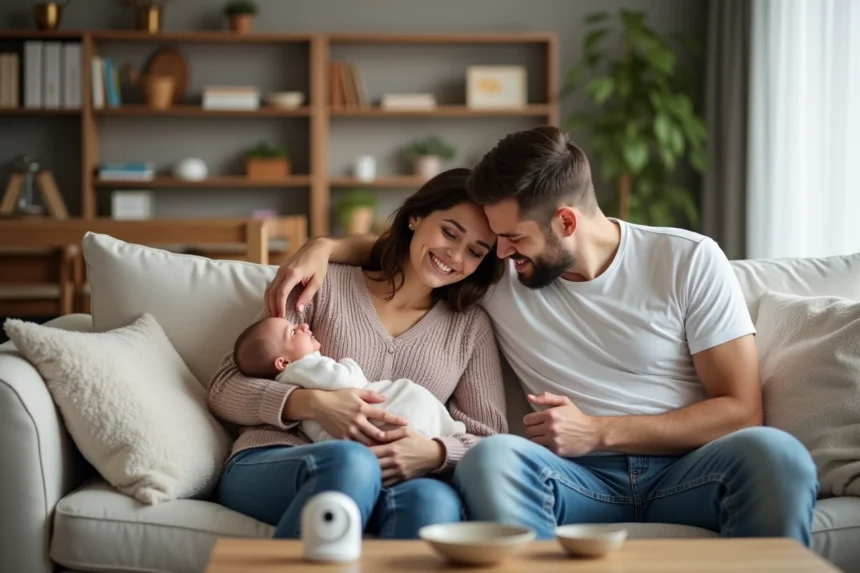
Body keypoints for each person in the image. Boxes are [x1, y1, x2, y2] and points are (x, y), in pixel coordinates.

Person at [266, 126, 819, 545]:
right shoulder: (500, 272)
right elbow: (422, 248)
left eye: (512, 238)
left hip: (691, 468)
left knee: (776, 454)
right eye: (495, 241)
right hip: (574, 479)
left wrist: (598, 431)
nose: (496, 253)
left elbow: (742, 409)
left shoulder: (687, 260)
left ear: (566, 222)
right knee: (492, 458)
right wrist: (324, 246)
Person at [207, 168, 507, 540]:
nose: (455, 255)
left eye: (476, 251)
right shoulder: (324, 283)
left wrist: (433, 453)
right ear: (415, 217)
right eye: (449, 232)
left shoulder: (469, 328)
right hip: (277, 459)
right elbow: (224, 387)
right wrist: (313, 404)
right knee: (353, 462)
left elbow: (489, 438)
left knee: (433, 504)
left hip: (401, 484)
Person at [231, 315, 467, 443]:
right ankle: (449, 431)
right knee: (411, 397)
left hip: (340, 441)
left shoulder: (299, 371)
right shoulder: (306, 367)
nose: (303, 325)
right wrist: (348, 363)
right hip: (364, 418)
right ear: (283, 363)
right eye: (293, 332)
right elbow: (348, 380)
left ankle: (446, 435)